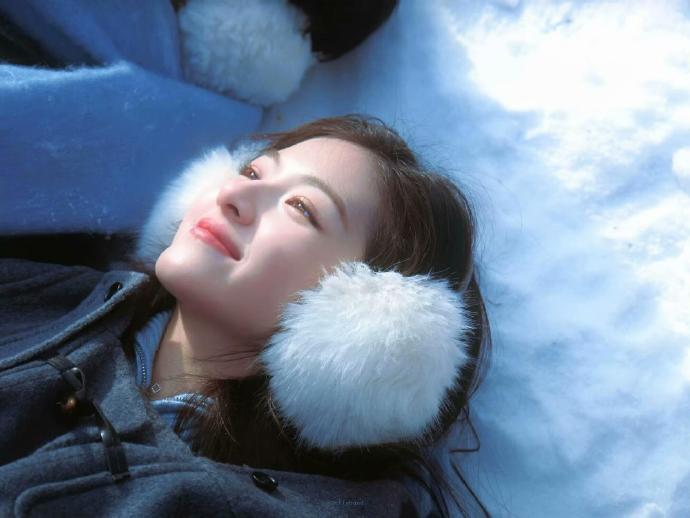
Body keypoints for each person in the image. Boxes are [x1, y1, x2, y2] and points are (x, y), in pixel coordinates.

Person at [0, 115, 491, 517]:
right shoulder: (33, 291)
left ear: (367, 321)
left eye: (301, 207)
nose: (232, 196)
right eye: (254, 173)